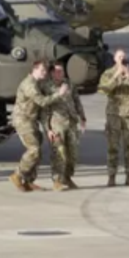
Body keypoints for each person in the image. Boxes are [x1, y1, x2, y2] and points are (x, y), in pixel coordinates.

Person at [96, 48, 129, 187]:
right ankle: (111, 176)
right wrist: (116, 77)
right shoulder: (108, 73)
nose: (122, 59)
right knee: (113, 147)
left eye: (123, 56)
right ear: (114, 59)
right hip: (114, 115)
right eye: (119, 57)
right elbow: (103, 89)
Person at [9, 61, 53, 192]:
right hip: (22, 120)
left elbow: (41, 110)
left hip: (32, 120)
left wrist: (48, 129)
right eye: (42, 71)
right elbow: (42, 101)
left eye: (45, 71)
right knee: (34, 149)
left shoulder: (38, 84)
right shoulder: (29, 84)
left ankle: (29, 181)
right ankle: (17, 175)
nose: (44, 74)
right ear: (34, 70)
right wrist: (58, 95)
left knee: (37, 151)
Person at [46, 63, 84, 191]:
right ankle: (57, 179)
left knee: (72, 152)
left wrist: (82, 117)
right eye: (56, 71)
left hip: (71, 121)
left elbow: (76, 100)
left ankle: (67, 177)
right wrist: (48, 129)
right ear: (51, 73)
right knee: (59, 152)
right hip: (57, 123)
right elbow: (45, 109)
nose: (59, 74)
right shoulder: (48, 87)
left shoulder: (69, 84)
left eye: (61, 71)